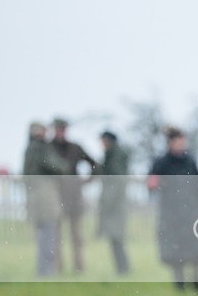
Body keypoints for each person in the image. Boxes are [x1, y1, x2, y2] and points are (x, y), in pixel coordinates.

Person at [148, 126, 198, 292]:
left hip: (191, 214)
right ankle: (179, 286)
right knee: (175, 253)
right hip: (171, 215)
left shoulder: (190, 161)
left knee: (197, 253)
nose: (182, 144)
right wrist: (156, 184)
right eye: (179, 141)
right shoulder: (160, 163)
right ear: (171, 142)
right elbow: (151, 185)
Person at [22, 121, 70, 276]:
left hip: (35, 195)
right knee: (49, 234)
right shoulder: (41, 148)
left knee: (43, 235)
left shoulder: (30, 149)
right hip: (45, 195)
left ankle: (43, 270)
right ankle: (46, 272)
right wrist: (64, 166)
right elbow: (58, 166)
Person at [50, 117, 97, 273]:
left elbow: (95, 165)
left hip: (75, 197)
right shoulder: (48, 148)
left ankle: (79, 267)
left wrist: (86, 181)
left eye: (63, 128)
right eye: (58, 128)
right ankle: (58, 267)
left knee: (77, 236)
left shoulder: (75, 148)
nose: (60, 131)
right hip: (55, 197)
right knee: (56, 237)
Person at [94, 130, 130, 275]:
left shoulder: (115, 157)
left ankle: (123, 269)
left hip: (115, 204)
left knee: (116, 238)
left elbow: (117, 181)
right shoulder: (114, 155)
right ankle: (122, 268)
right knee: (115, 238)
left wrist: (109, 201)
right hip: (115, 203)